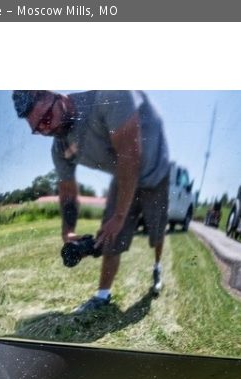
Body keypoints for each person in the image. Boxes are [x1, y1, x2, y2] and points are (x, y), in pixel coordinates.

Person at [12, 90, 171, 313]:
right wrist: (68, 231)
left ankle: (157, 266)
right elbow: (67, 190)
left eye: (46, 120)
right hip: (122, 175)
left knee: (157, 232)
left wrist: (119, 217)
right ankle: (102, 296)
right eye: (38, 129)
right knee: (110, 237)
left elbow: (130, 155)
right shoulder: (60, 147)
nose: (46, 130)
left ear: (56, 97)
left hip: (154, 171)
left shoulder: (109, 96)